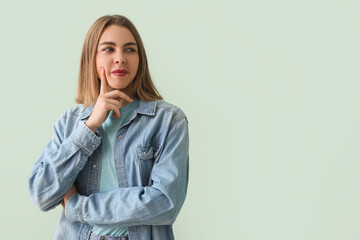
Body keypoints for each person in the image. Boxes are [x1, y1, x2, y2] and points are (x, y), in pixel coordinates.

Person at [28, 15, 189, 240]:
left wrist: (78, 207)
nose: (120, 58)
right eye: (109, 49)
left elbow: (165, 202)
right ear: (91, 59)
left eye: (130, 50)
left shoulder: (168, 121)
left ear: (140, 59)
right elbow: (41, 194)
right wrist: (90, 126)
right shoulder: (69, 123)